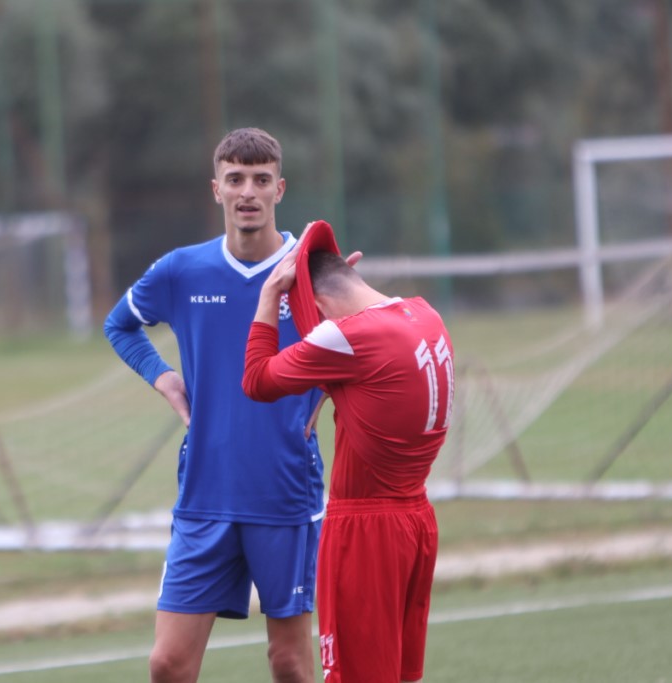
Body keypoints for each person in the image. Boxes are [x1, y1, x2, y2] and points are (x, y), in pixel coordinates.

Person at [104, 128, 326, 683]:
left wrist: (327, 393)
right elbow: (120, 325)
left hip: (285, 493)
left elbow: (364, 346)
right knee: (168, 664)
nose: (247, 191)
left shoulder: (314, 273)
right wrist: (163, 377)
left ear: (280, 188)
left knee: (290, 663)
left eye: (259, 179)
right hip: (205, 493)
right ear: (216, 190)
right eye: (235, 179)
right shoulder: (182, 270)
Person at [242, 221, 454, 683]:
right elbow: (373, 383)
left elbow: (256, 380)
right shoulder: (425, 315)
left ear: (317, 307)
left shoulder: (346, 337)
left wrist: (268, 295)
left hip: (363, 531)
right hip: (415, 520)